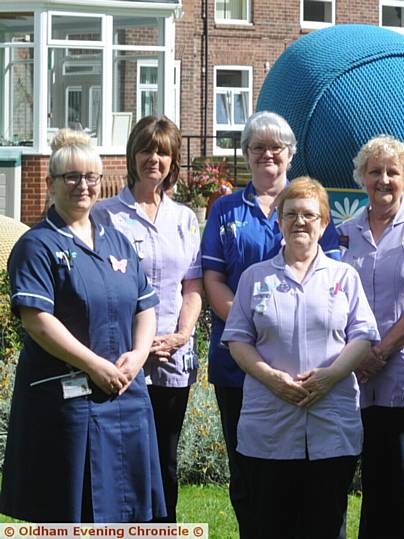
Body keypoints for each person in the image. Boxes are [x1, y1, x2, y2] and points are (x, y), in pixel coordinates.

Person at [0, 129, 165, 522]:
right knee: (69, 513)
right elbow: (37, 321)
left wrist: (139, 355)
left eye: (90, 177)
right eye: (71, 177)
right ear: (51, 183)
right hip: (66, 405)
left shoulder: (118, 242)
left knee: (126, 512)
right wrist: (95, 365)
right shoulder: (37, 246)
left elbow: (145, 306)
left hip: (125, 396)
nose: (82, 186)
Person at [201, 110, 340, 535]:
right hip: (236, 362)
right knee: (247, 469)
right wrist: (251, 332)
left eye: (276, 147)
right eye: (258, 147)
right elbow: (212, 279)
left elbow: (330, 279)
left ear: (290, 155)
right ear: (246, 154)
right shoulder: (226, 210)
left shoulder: (308, 208)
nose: (267, 155)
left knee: (301, 467)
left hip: (303, 366)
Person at [221, 177, 379, 539]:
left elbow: (363, 336)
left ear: (324, 223)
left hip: (331, 423)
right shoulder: (255, 278)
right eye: (290, 214)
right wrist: (272, 378)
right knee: (268, 524)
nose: (299, 222)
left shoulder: (344, 278)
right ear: (279, 221)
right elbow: (238, 342)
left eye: (309, 215)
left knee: (325, 524)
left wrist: (331, 375)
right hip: (270, 426)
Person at [93, 116, 203, 523]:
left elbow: (193, 284)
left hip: (173, 358)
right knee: (122, 458)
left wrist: (181, 335)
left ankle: (163, 528)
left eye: (162, 151)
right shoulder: (105, 215)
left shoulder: (185, 219)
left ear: (172, 159)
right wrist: (138, 348)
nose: (153, 158)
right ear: (132, 155)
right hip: (121, 358)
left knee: (165, 457)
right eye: (145, 149)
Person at [337, 135, 404, 539]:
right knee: (374, 478)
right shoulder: (345, 233)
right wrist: (357, 356)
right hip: (358, 374)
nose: (383, 180)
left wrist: (377, 353)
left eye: (392, 172)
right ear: (362, 177)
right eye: (375, 171)